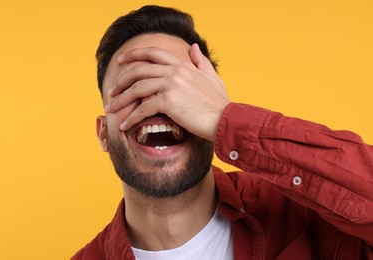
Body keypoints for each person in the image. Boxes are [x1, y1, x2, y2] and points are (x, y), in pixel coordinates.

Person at [72, 5, 373, 259]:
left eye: (179, 87)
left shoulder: (306, 216)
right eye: (131, 88)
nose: (156, 104)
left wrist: (225, 118)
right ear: (103, 134)